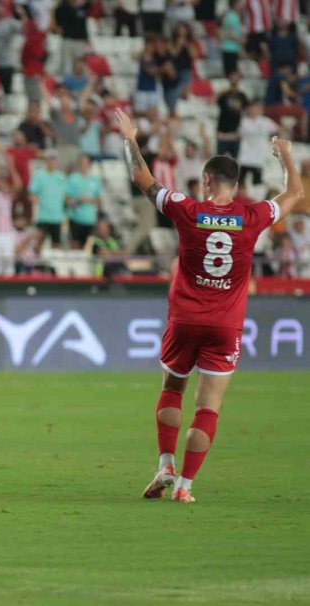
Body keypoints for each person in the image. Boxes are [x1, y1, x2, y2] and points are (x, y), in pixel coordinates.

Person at [116, 107, 304, 503]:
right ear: (234, 185)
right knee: (209, 406)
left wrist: (130, 138)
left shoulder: (189, 210)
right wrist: (284, 154)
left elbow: (141, 177)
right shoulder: (252, 216)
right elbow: (295, 195)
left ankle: (166, 463)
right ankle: (185, 487)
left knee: (172, 388)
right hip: (225, 325)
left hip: (184, 319)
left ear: (206, 182)